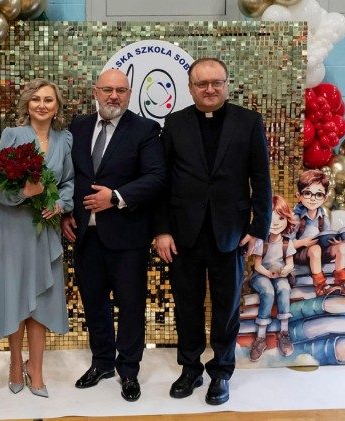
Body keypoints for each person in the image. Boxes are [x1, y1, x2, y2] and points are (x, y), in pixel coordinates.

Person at [154, 57, 272, 405]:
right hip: (183, 234)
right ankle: (190, 368)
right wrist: (162, 230)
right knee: (187, 306)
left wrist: (258, 229)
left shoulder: (248, 122)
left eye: (216, 82)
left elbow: (261, 179)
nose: (209, 89)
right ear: (190, 88)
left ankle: (221, 372)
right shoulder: (174, 123)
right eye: (202, 84)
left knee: (227, 308)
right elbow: (162, 182)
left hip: (231, 233)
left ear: (226, 84)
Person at [61, 68, 166, 402]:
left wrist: (116, 197)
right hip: (85, 236)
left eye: (121, 90)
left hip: (127, 237)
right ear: (96, 91)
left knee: (131, 306)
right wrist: (67, 213)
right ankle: (102, 362)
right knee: (94, 303)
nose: (114, 96)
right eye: (107, 89)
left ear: (130, 94)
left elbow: (156, 176)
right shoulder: (77, 127)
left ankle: (129, 370)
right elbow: (71, 176)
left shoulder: (146, 129)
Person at [0, 79, 74, 398]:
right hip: (13, 229)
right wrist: (23, 192)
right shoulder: (12, 134)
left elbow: (69, 182)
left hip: (45, 230)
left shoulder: (65, 139)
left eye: (48, 99)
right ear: (27, 104)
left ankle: (36, 369)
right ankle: (14, 364)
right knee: (16, 296)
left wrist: (60, 203)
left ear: (57, 106)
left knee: (42, 299)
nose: (42, 105)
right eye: (36, 99)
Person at [291, 169, 345, 297]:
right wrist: (304, 242)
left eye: (319, 194)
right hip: (301, 253)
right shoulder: (296, 218)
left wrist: (336, 240)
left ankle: (341, 283)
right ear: (299, 196)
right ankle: (321, 285)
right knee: (315, 249)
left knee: (341, 247)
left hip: (320, 251)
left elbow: (327, 234)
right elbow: (287, 244)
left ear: (325, 197)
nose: (313, 198)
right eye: (307, 193)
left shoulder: (322, 217)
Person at [248, 195, 297, 361]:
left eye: (281, 218)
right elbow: (257, 266)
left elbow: (290, 264)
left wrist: (285, 270)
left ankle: (284, 332)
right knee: (268, 292)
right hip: (261, 275)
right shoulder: (261, 241)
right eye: (271, 218)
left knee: (284, 288)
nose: (275, 223)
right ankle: (261, 337)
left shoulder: (287, 243)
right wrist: (269, 274)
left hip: (279, 274)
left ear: (287, 219)